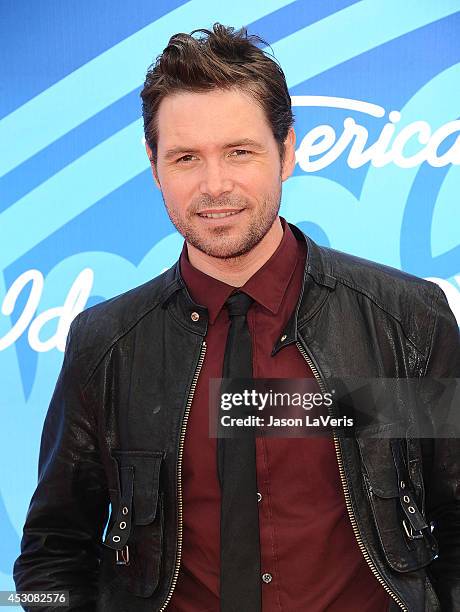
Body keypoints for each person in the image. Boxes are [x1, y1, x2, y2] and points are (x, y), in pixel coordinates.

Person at [13, 23, 459, 612]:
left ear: (288, 152)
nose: (214, 185)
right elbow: (53, 551)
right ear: (154, 165)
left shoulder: (404, 320)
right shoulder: (107, 345)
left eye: (239, 152)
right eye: (186, 157)